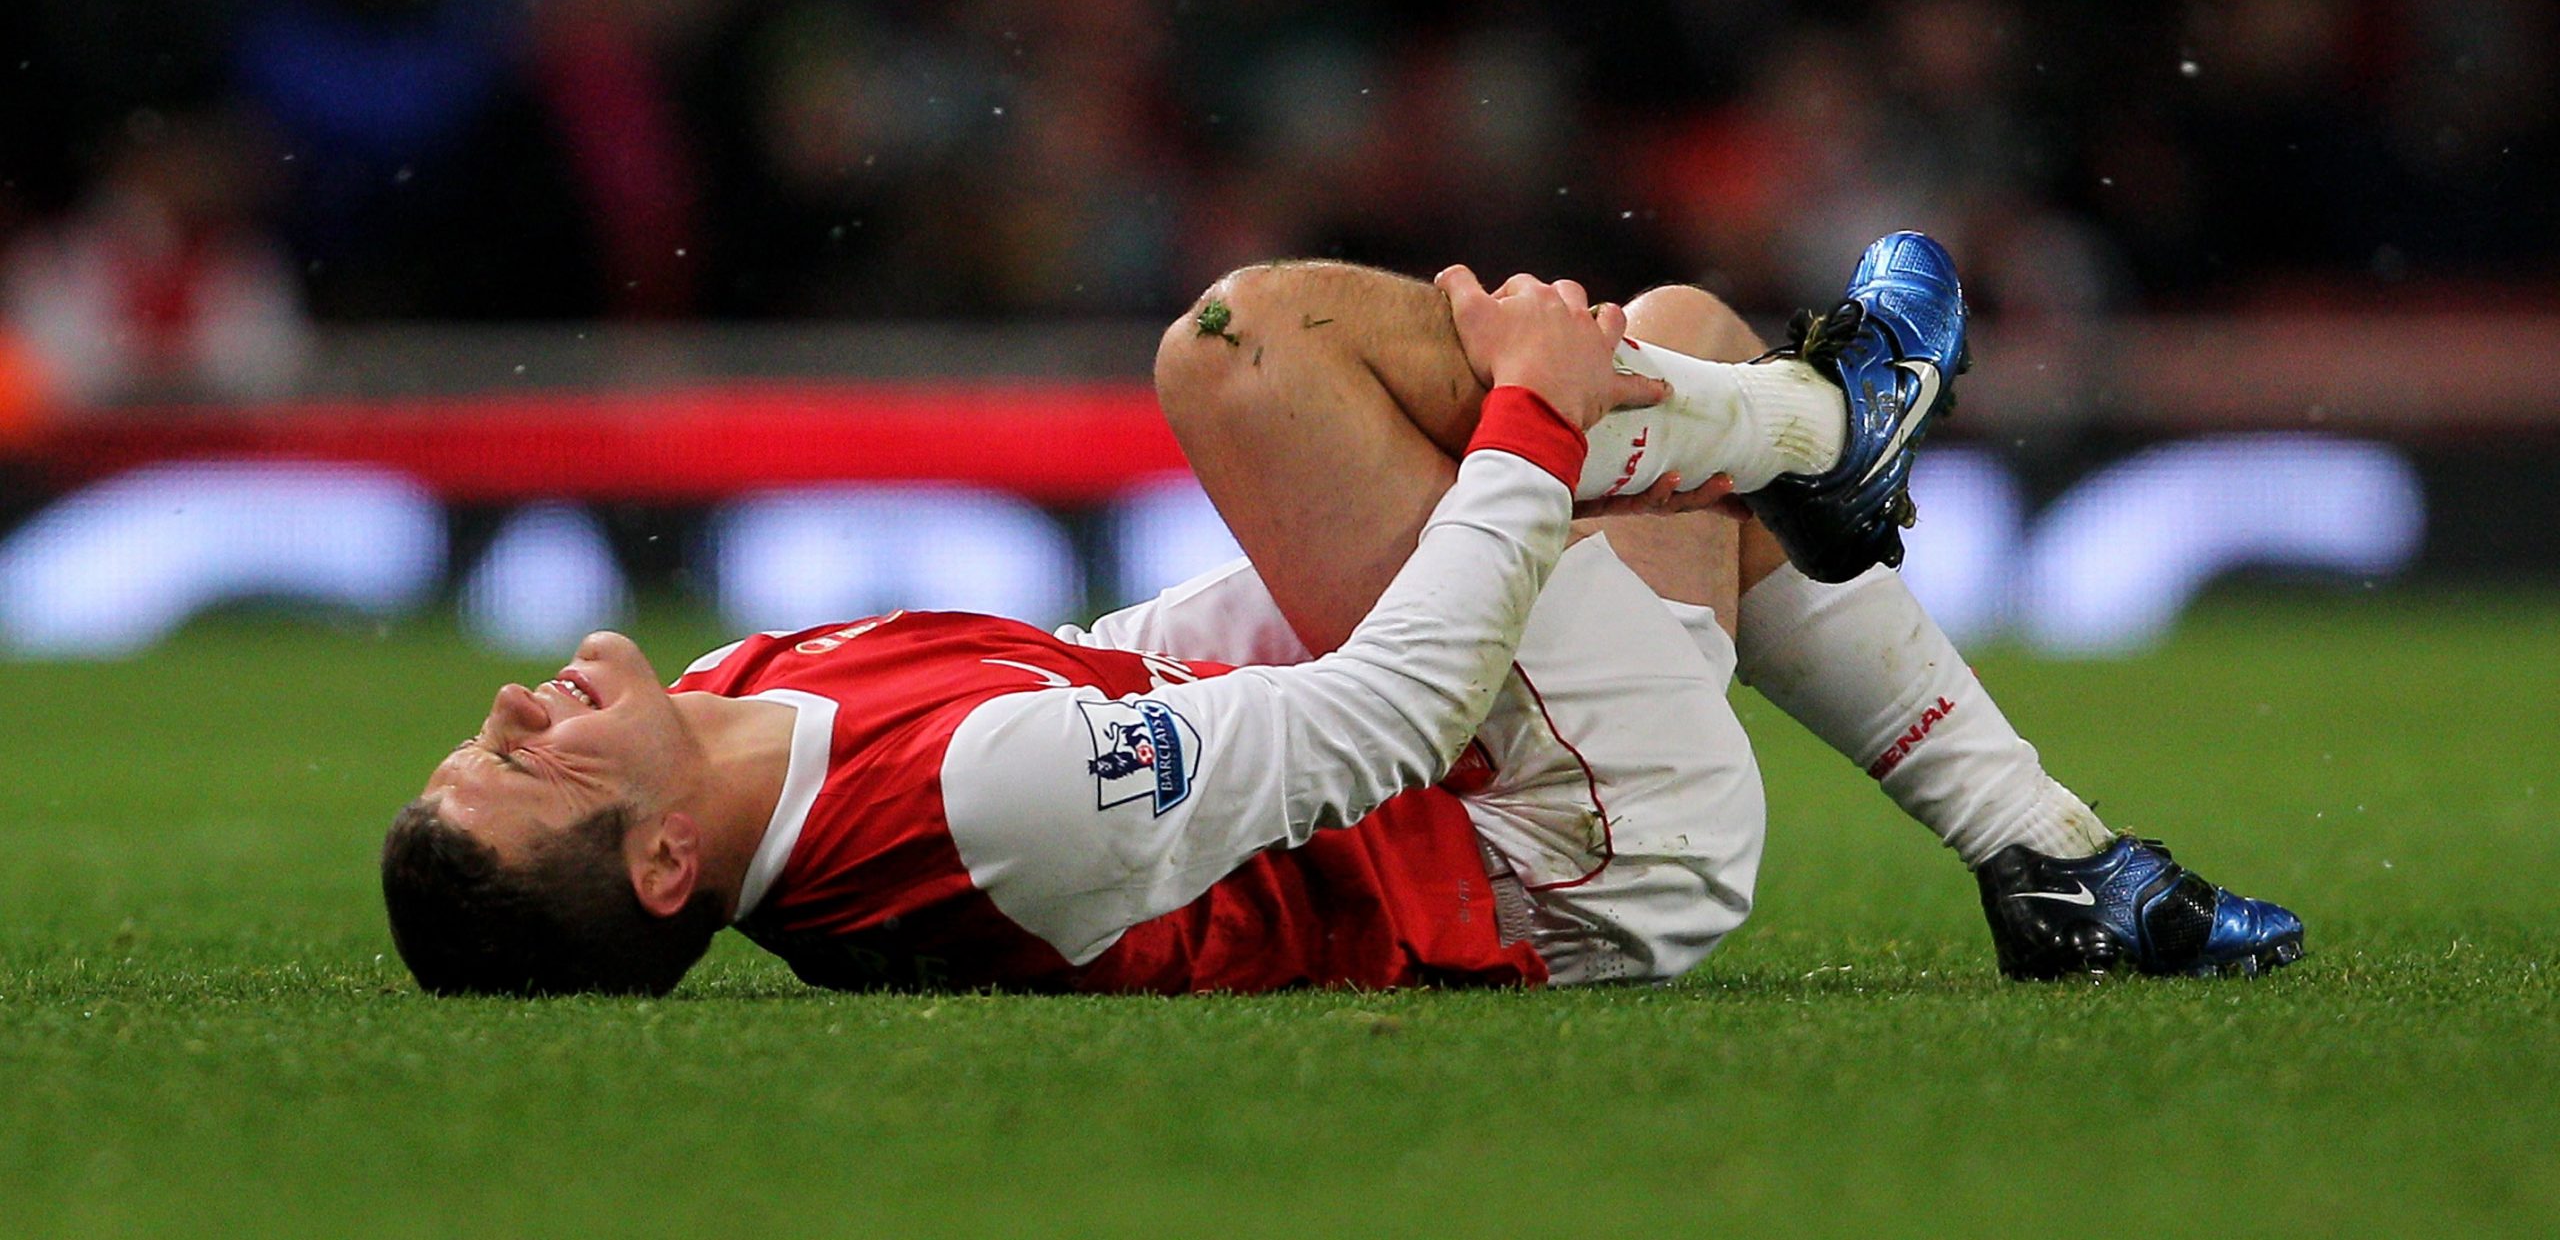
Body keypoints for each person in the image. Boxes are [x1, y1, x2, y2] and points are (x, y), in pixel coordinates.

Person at [382, 233, 2302, 995]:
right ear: (657, 873)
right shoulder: (963, 814)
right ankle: (1831, 423)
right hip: (1570, 859)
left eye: (484, 736)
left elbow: (1179, 645)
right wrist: (1524, 423)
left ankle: (2058, 869)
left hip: (1475, 766)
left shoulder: (741, 683)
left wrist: (1425, 485)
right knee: (1245, 350)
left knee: (1684, 352)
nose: (514, 702)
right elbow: (1378, 717)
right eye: (523, 764)